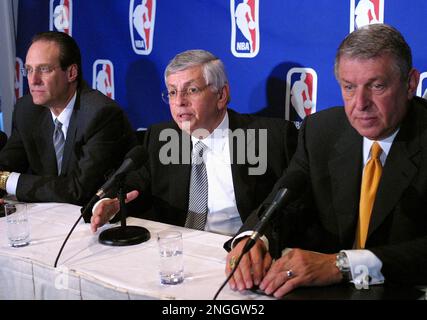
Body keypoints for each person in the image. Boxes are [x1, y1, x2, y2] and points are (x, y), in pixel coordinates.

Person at [225, 23, 427, 298]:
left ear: (411, 84)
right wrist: (253, 238)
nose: (360, 103)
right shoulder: (322, 131)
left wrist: (341, 265)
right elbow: (283, 202)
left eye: (377, 86)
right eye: (348, 87)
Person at [91, 49, 297, 236]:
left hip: (238, 252)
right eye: (172, 92)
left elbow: (292, 208)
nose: (179, 101)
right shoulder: (161, 137)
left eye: (191, 90)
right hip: (176, 251)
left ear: (221, 96)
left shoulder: (269, 138)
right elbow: (132, 187)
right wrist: (112, 205)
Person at [0, 31, 136, 206]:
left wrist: (7, 181)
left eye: (44, 69)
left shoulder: (101, 114)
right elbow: (8, 162)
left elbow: (79, 190)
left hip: (96, 220)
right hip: (48, 216)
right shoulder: (27, 110)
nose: (33, 80)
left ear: (71, 72)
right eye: (29, 70)